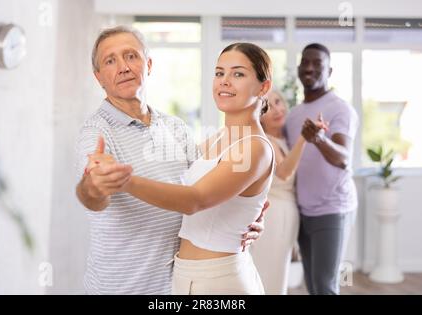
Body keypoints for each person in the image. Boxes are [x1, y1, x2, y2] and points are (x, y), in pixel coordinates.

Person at [75, 26, 265, 295]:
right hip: (121, 288)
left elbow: (204, 189)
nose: (123, 67)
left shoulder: (174, 127)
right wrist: (96, 183)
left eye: (131, 56)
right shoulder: (96, 132)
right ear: (99, 78)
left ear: (148, 64)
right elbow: (91, 194)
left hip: (174, 286)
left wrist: (245, 215)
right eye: (110, 61)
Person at [285, 43, 359, 295]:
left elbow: (344, 159)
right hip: (303, 210)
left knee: (326, 286)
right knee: (313, 285)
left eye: (317, 63)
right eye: (305, 62)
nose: (310, 67)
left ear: (330, 70)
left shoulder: (340, 109)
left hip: (332, 208)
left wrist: (317, 139)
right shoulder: (293, 115)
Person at [250, 90, 306, 294]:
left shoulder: (282, 140)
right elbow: (283, 173)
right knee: (270, 278)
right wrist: (304, 139)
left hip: (284, 216)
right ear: (259, 115)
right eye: (268, 107)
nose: (276, 110)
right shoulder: (267, 142)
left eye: (278, 102)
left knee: (276, 276)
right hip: (275, 217)